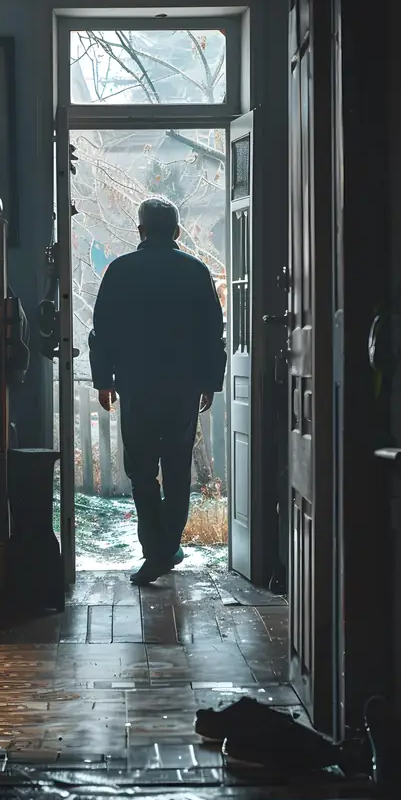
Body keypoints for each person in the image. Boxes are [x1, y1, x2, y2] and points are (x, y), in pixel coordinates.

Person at [88, 197, 226, 585]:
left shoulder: (121, 270)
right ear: (178, 232)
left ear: (141, 231)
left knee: (143, 471)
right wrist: (209, 381)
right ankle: (168, 547)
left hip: (136, 384)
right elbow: (212, 332)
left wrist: (104, 380)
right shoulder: (195, 271)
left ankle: (157, 550)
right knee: (177, 468)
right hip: (182, 385)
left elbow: (103, 330)